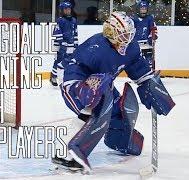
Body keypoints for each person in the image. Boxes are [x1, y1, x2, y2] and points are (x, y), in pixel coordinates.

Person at [51, 11, 175, 173]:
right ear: (111, 32)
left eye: (129, 35)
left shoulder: (131, 48)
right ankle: (67, 153)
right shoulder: (96, 49)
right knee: (95, 110)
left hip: (101, 84)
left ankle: (121, 141)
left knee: (118, 111)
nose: (127, 39)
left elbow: (139, 70)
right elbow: (71, 70)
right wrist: (84, 93)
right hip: (75, 81)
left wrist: (151, 87)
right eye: (124, 35)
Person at [51, 1, 78, 86]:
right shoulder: (60, 20)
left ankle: (65, 78)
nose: (68, 11)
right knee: (58, 61)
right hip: (61, 46)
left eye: (69, 9)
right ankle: (53, 77)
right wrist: (62, 43)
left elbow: (75, 33)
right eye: (65, 9)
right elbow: (57, 32)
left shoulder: (73, 20)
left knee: (67, 62)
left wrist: (75, 43)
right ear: (62, 10)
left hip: (70, 45)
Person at [132, 1, 158, 68]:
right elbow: (131, 30)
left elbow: (153, 28)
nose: (143, 11)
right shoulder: (134, 19)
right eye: (141, 9)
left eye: (145, 9)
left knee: (148, 60)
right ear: (138, 9)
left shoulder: (149, 18)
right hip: (136, 44)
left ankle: (150, 70)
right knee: (137, 60)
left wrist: (153, 36)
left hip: (147, 43)